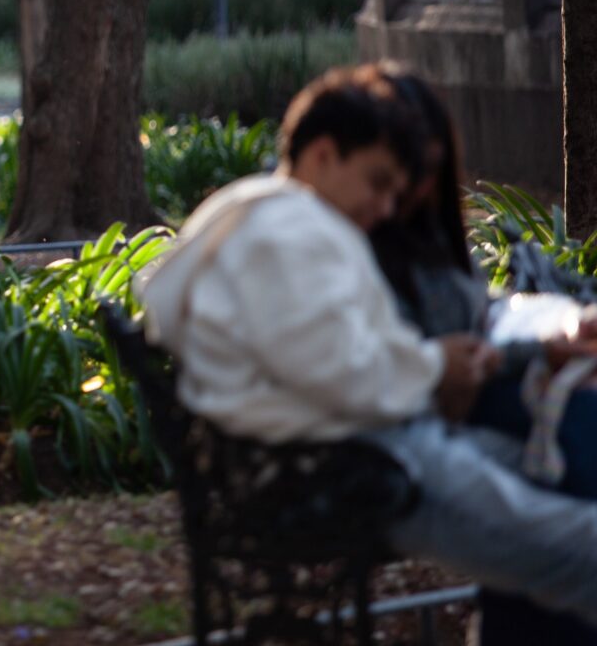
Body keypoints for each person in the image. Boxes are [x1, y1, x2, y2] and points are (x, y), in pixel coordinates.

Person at [134, 64, 597, 626]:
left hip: (349, 451)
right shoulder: (290, 235)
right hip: (359, 462)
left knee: (568, 472)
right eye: (378, 183)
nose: (386, 208)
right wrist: (437, 367)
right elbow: (343, 374)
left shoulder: (272, 218)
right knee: (580, 543)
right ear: (323, 155)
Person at [370, 71, 597, 644]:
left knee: (575, 430)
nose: (420, 184)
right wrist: (539, 349)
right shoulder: (375, 246)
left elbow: (476, 317)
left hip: (485, 380)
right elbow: (441, 355)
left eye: (432, 166)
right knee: (579, 434)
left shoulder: (426, 235)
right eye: (412, 166)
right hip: (454, 401)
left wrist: (552, 330)